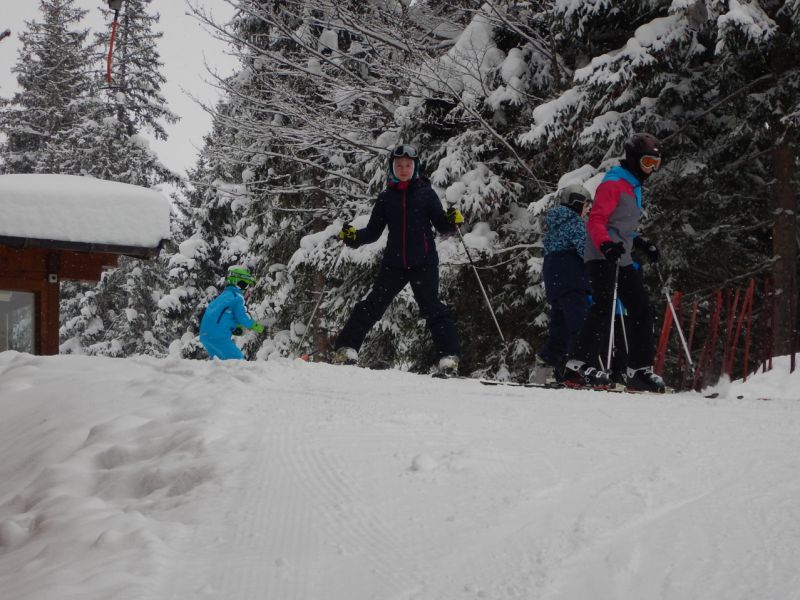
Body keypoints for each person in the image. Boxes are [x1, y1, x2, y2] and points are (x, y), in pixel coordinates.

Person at [332, 144, 463, 375]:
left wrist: (453, 221)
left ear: (415, 168)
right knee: (372, 305)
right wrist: (354, 237)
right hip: (394, 263)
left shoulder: (426, 193)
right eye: (399, 165)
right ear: (392, 168)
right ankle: (346, 348)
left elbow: (443, 225)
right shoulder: (386, 198)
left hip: (423, 262)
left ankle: (449, 357)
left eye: (408, 166)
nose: (404, 169)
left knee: (433, 308)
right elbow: (372, 232)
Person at [563, 132, 666, 392]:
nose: (651, 170)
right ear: (633, 159)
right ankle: (577, 366)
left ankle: (639, 371)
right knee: (604, 305)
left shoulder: (633, 186)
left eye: (656, 164)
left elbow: (622, 226)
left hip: (622, 256)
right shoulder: (614, 183)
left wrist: (641, 243)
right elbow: (597, 220)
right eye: (647, 163)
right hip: (601, 254)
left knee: (642, 309)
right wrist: (606, 244)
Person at [531, 184, 592, 384]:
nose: (587, 210)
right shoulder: (575, 222)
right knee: (579, 321)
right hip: (572, 275)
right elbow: (585, 249)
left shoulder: (554, 222)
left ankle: (545, 365)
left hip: (554, 277)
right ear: (576, 202)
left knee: (561, 323)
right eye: (586, 204)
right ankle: (580, 366)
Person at [199, 267, 264, 360]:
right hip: (218, 337)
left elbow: (221, 316)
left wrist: (234, 328)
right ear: (239, 283)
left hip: (205, 335)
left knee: (221, 364)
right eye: (246, 285)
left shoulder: (223, 296)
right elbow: (243, 317)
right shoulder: (237, 297)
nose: (247, 290)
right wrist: (257, 326)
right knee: (238, 363)